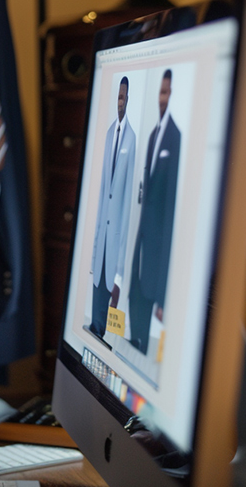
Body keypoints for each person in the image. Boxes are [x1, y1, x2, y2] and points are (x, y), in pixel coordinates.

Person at [128, 69, 180, 355]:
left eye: (168, 92)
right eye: (161, 92)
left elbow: (171, 213)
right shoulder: (152, 136)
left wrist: (163, 293)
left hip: (156, 264)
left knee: (146, 354)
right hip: (140, 257)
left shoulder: (177, 139)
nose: (163, 98)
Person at [88, 76, 136, 342]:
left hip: (116, 236)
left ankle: (105, 335)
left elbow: (127, 199)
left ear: (128, 100)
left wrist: (120, 264)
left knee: (111, 294)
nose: (120, 101)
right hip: (102, 235)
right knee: (97, 292)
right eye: (117, 96)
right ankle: (96, 332)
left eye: (123, 97)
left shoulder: (132, 138)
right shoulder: (108, 134)